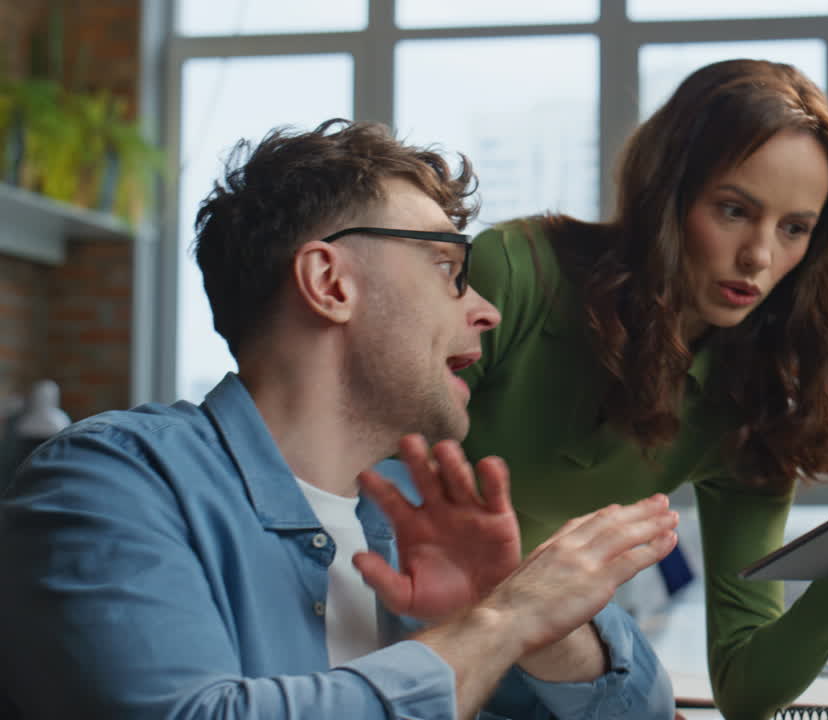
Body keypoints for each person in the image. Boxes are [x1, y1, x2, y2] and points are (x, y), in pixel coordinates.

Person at [0, 120, 681, 720]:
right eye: (448, 267)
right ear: (330, 284)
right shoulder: (111, 483)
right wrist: (503, 621)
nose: (486, 310)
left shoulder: (418, 517)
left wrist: (532, 623)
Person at [450, 60, 828, 719]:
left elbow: (746, 690)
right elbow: (360, 492)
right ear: (670, 194)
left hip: (526, 659)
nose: (759, 256)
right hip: (385, 622)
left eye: (793, 228)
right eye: (733, 210)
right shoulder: (516, 274)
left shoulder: (753, 401)